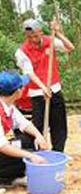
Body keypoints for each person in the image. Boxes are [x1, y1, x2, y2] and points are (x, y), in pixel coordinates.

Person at [15, 18, 74, 152]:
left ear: (41, 32)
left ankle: (58, 151)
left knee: (59, 124)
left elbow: (70, 47)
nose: (34, 39)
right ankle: (38, 152)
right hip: (37, 92)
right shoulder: (22, 51)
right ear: (26, 36)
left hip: (55, 88)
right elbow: (29, 73)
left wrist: (58, 33)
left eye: (36, 35)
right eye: (30, 37)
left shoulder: (50, 40)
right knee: (39, 125)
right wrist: (42, 87)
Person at [0, 71, 49, 187]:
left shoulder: (8, 105)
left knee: (30, 140)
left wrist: (39, 136)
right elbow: (2, 146)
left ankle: (14, 175)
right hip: (2, 148)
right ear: (17, 91)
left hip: (3, 146)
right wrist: (30, 155)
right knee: (28, 154)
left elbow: (24, 123)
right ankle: (4, 179)